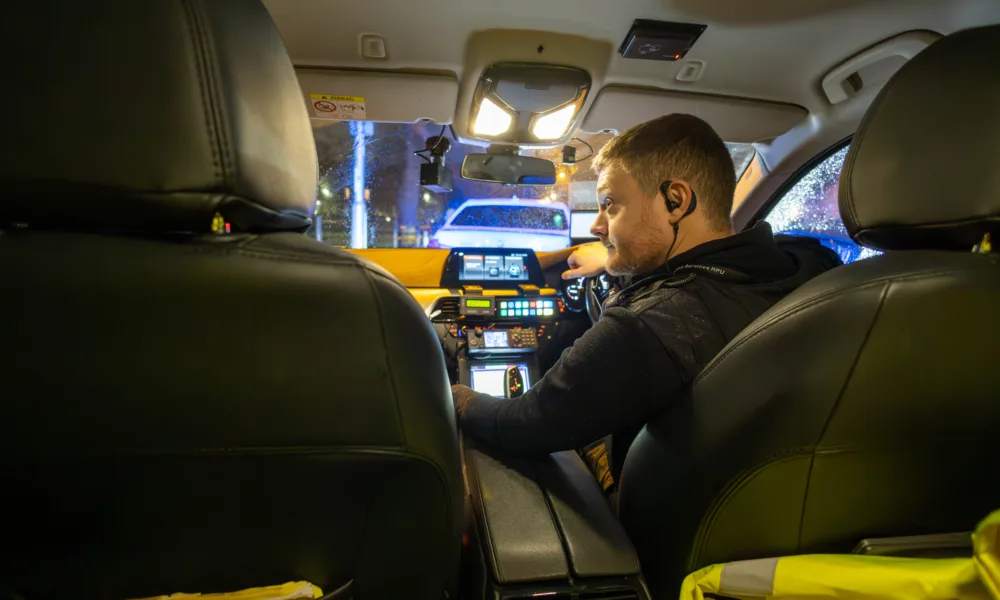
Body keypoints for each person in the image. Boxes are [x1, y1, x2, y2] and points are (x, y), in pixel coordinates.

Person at [451, 114, 841, 492]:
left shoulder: (649, 322)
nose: (596, 225)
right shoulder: (812, 265)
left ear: (675, 201)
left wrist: (461, 398)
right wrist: (618, 260)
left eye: (610, 204)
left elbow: (524, 423)